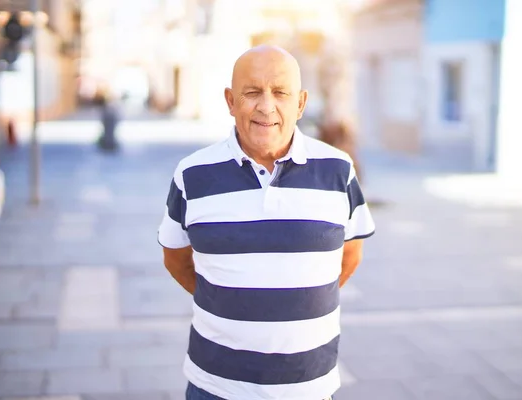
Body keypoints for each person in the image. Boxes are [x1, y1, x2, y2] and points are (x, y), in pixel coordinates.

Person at [158, 45, 375, 400]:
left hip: (309, 388)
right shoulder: (192, 174)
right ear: (230, 101)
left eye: (280, 92)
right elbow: (176, 259)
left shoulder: (338, 169)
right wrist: (229, 301)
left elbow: (349, 255)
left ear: (301, 103)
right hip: (216, 387)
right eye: (252, 92)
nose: (266, 106)